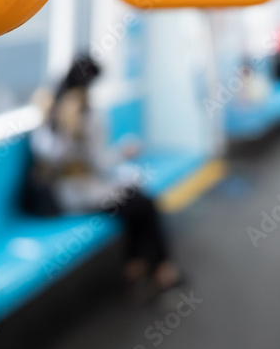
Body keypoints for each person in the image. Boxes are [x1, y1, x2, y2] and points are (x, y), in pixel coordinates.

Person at [25, 54, 183, 297]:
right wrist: (123, 155)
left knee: (135, 208)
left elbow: (45, 153)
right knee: (143, 204)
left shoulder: (48, 110)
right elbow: (99, 164)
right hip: (80, 196)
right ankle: (158, 270)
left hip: (62, 194)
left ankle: (139, 270)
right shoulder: (86, 116)